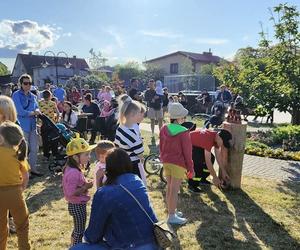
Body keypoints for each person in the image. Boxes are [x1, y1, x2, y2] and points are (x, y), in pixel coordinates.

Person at [70, 148, 159, 250]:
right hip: (154, 242)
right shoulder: (137, 180)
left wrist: (99, 181)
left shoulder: (105, 193)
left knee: (77, 248)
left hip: (129, 245)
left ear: (108, 168)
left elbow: (92, 236)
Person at [159, 102, 194, 225]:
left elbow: (161, 146)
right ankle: (172, 216)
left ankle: (171, 211)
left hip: (166, 162)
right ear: (179, 117)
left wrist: (162, 158)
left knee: (170, 188)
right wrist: (191, 168)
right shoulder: (184, 131)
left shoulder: (164, 128)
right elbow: (188, 153)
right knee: (174, 190)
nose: (184, 119)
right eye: (183, 117)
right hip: (178, 164)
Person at [0, 121, 30, 250]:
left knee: (0, 226)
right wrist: (22, 188)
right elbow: (26, 176)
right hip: (15, 193)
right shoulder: (19, 154)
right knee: (22, 226)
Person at [63, 137, 96, 246]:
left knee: (77, 228)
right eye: (86, 154)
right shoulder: (73, 172)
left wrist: (85, 183)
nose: (89, 157)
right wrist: (86, 186)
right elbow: (71, 192)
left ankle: (73, 245)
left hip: (76, 204)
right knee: (80, 230)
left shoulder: (73, 169)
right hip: (77, 205)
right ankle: (76, 247)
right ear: (76, 157)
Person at [12, 74, 42, 177]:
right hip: (22, 126)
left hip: (33, 126)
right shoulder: (16, 95)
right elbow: (20, 111)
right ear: (21, 84)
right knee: (23, 150)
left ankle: (32, 169)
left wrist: (37, 110)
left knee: (34, 149)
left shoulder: (33, 96)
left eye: (29, 83)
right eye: (25, 83)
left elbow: (37, 107)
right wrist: (34, 112)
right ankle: (24, 171)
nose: (28, 85)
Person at [114, 100, 146, 185]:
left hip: (123, 162)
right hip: (133, 165)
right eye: (139, 113)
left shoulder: (120, 127)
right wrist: (142, 158)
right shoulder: (131, 133)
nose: (141, 115)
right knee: (137, 187)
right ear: (132, 114)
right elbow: (140, 153)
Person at [39, 90, 60, 159]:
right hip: (52, 124)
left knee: (45, 140)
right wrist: (56, 120)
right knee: (54, 139)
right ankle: (54, 153)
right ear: (50, 96)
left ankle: (46, 155)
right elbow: (57, 113)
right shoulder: (53, 103)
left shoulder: (39, 103)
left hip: (43, 124)